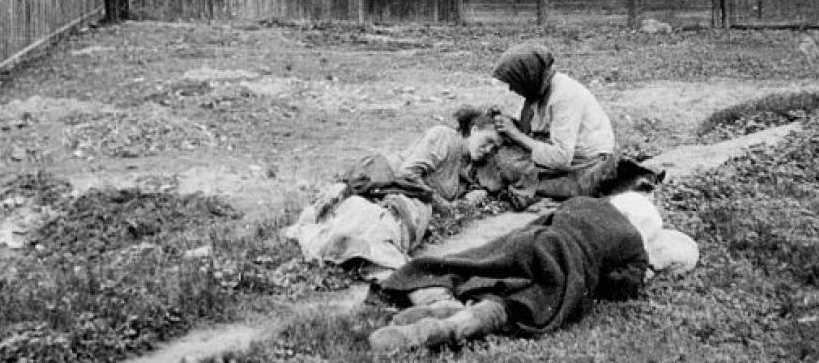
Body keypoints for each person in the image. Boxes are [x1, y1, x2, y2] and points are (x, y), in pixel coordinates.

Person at [368, 192, 699, 352]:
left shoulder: (583, 203)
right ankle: (446, 328)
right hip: (565, 264)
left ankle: (440, 298)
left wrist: (509, 247)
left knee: (473, 267)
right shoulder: (634, 246)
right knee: (522, 304)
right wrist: (644, 271)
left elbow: (539, 223)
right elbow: (620, 286)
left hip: (533, 241)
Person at [284, 106, 503, 270]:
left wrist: (475, 195)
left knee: (394, 227)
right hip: (384, 180)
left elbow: (488, 186)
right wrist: (440, 203)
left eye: (495, 148)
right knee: (371, 218)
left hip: (410, 196)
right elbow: (408, 173)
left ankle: (354, 248)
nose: (489, 150)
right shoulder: (444, 137)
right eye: (488, 141)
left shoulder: (467, 168)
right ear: (474, 130)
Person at [491, 42, 617, 200]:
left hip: (589, 163)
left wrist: (516, 134)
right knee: (504, 162)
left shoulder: (565, 97)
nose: (512, 89)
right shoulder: (537, 88)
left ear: (527, 77)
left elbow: (561, 158)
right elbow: (527, 125)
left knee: (512, 170)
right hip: (563, 151)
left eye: (514, 83)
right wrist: (508, 124)